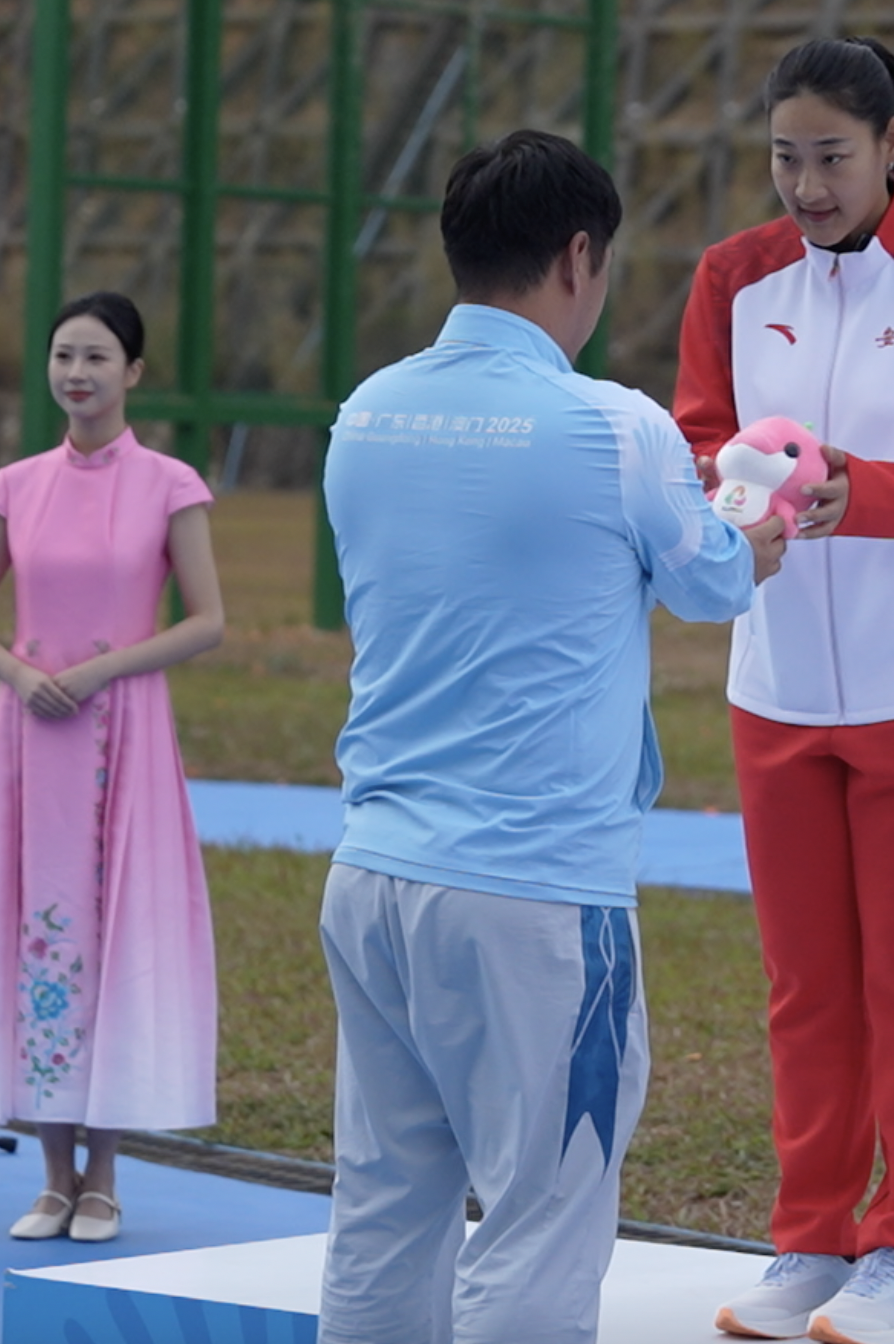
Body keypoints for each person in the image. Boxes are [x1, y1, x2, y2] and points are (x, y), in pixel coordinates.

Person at [316, 129, 783, 1344]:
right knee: (541, 1218)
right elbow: (717, 580)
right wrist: (765, 522)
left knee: (382, 1212)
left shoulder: (363, 415)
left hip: (372, 872)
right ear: (580, 256)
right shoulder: (613, 427)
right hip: (536, 897)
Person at [673, 36, 894, 1344]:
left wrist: (850, 491)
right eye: (783, 156)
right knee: (804, 980)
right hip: (775, 677)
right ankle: (809, 1241)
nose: (805, 183)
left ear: (892, 143)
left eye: (830, 156)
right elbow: (699, 432)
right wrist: (739, 484)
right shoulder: (730, 275)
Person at [0, 291, 224, 1244]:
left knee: (113, 935)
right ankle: (53, 1176)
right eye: (64, 356)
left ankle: (105, 1177)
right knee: (40, 938)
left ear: (134, 373)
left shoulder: (171, 485)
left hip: (125, 735)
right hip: (33, 745)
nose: (78, 374)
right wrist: (20, 673)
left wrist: (101, 667)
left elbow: (206, 619)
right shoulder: (15, 485)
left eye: (98, 357)